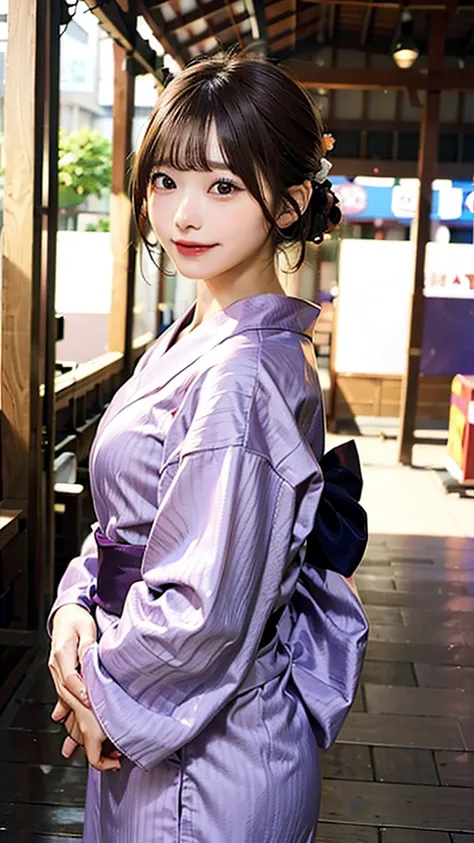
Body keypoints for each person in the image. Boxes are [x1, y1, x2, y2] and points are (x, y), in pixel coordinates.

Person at [47, 53, 368, 843]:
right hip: (173, 720)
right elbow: (127, 523)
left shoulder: (244, 373)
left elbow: (199, 615)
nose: (184, 213)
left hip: (204, 764)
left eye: (223, 186)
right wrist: (71, 615)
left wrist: (94, 689)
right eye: (166, 180)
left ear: (291, 202)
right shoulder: (197, 334)